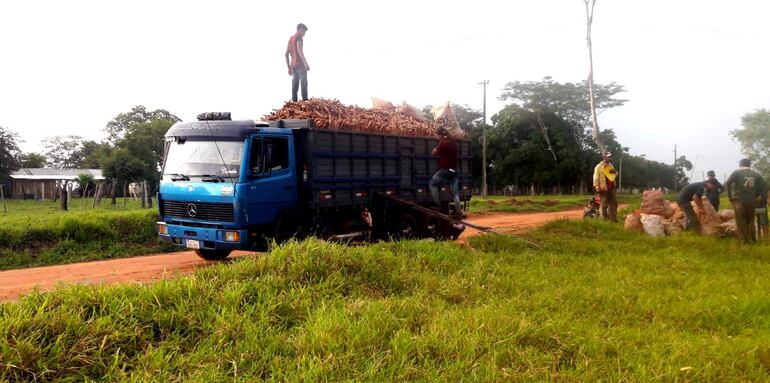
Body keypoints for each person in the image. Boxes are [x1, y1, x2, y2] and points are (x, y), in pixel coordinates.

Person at [725, 158, 768, 244]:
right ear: (749, 165)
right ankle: (753, 239)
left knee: (741, 220)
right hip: (752, 201)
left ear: (740, 164)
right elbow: (765, 186)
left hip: (739, 200)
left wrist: (730, 196)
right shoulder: (756, 174)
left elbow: (728, 183)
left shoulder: (736, 172)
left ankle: (744, 241)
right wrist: (759, 197)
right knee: (751, 220)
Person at [429, 127, 461, 218]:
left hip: (446, 169)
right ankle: (458, 213)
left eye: (437, 135)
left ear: (440, 135)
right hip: (455, 170)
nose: (436, 137)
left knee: (432, 183)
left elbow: (433, 153)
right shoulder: (453, 142)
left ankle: (437, 205)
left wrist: (437, 146)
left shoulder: (442, 143)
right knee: (455, 192)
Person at [285, 23, 309, 102]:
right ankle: (305, 101)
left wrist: (289, 68)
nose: (304, 34)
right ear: (300, 29)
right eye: (304, 32)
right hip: (300, 65)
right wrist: (305, 63)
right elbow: (299, 50)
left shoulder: (291, 39)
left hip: (293, 66)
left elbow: (286, 54)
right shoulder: (299, 37)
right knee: (304, 83)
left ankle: (294, 101)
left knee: (295, 84)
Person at [592, 152, 618, 223]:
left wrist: (615, 172)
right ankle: (604, 220)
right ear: (604, 157)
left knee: (614, 203)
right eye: (608, 157)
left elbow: (615, 174)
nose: (610, 158)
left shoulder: (611, 165)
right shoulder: (598, 167)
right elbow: (596, 177)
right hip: (603, 188)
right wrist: (597, 187)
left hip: (611, 187)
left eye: (610, 157)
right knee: (604, 204)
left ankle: (613, 219)